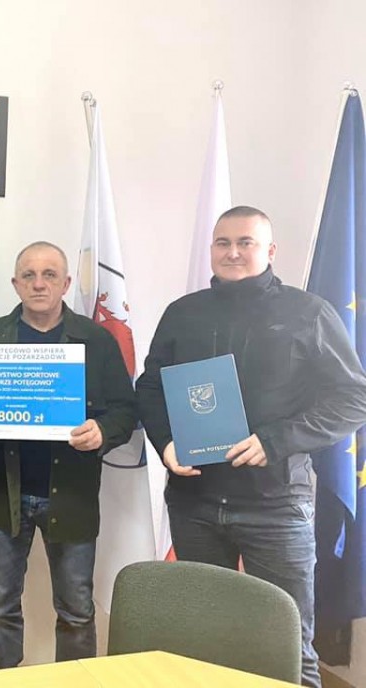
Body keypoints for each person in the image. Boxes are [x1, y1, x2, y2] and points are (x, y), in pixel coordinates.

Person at [136, 206, 366, 688]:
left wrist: (276, 441)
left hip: (276, 507)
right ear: (212, 249)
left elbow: (353, 398)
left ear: (270, 251)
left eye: (246, 242)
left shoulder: (309, 313)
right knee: (202, 641)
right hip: (195, 504)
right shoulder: (183, 312)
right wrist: (166, 443)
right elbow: (151, 386)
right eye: (223, 243)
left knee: (287, 646)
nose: (233, 252)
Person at [0, 241, 136, 669]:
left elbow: (126, 409)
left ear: (66, 284)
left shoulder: (97, 340)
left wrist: (102, 431)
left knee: (76, 610)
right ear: (15, 284)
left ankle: (76, 682)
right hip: (2, 496)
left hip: (71, 495)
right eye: (28, 275)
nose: (38, 283)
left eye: (49, 275)